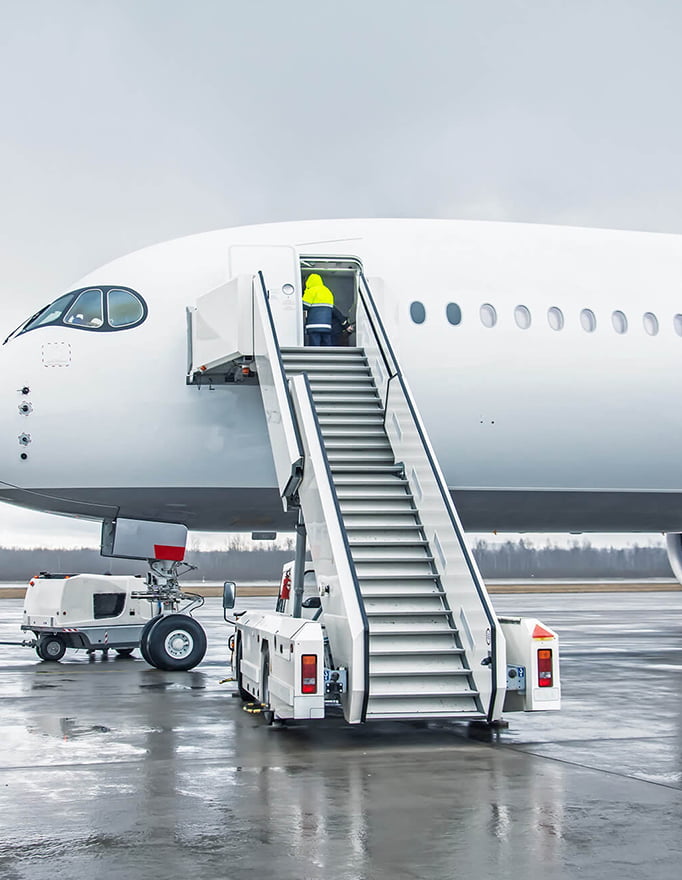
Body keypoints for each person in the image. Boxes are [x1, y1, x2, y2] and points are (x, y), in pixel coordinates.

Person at [302, 273, 335, 346]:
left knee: (315, 347)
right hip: (327, 325)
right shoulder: (327, 291)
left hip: (314, 325)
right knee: (326, 346)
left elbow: (304, 305)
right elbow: (332, 308)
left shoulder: (311, 290)